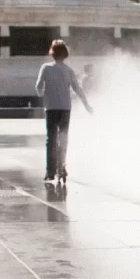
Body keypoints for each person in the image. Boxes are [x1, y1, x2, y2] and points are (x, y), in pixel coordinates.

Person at [35, 40, 92, 184]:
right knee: (63, 138)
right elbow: (78, 89)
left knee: (51, 139)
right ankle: (62, 167)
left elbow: (38, 86)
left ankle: (50, 171)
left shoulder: (45, 68)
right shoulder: (68, 70)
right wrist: (87, 105)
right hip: (65, 108)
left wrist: (42, 94)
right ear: (65, 54)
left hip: (51, 108)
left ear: (52, 53)